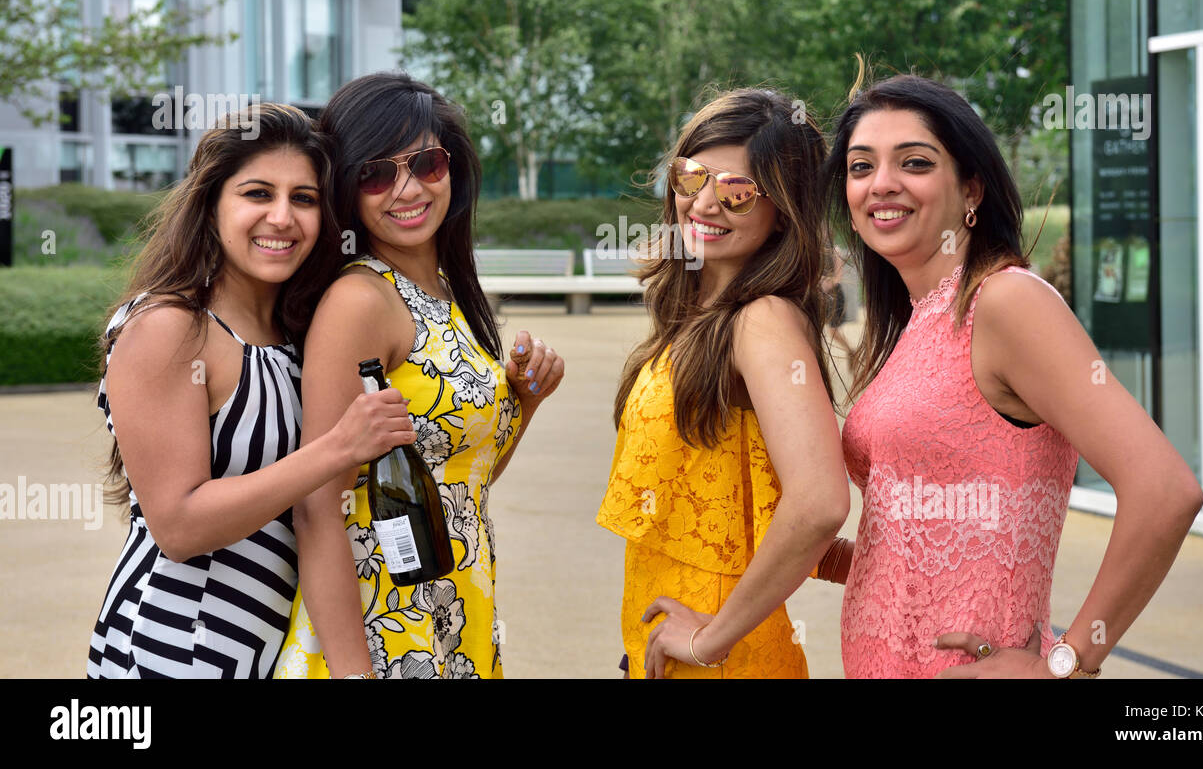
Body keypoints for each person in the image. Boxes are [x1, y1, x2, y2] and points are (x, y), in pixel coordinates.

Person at [818, 71, 1203, 678]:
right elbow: (923, 541)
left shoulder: (1004, 303)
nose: (881, 184)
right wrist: (808, 549)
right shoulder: (917, 321)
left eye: (914, 163)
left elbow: (1166, 490)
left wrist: (1066, 663)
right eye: (861, 167)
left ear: (971, 190)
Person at [89, 104, 416, 679]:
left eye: (305, 199)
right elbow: (180, 527)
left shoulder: (295, 334)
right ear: (212, 204)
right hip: (175, 650)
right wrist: (339, 447)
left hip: (267, 650)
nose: (283, 218)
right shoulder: (169, 328)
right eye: (258, 194)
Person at [274, 73, 563, 679]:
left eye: (426, 163)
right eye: (376, 173)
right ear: (346, 190)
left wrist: (524, 401)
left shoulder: (444, 291)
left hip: (454, 602)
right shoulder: (360, 300)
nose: (406, 188)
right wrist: (356, 672)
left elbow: (464, 480)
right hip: (384, 622)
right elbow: (317, 503)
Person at [597, 88, 850, 679]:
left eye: (738, 191)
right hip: (668, 637)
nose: (705, 204)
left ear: (783, 209)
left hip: (720, 653)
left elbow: (819, 501)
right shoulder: (701, 314)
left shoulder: (761, 319)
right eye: (691, 178)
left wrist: (712, 638)